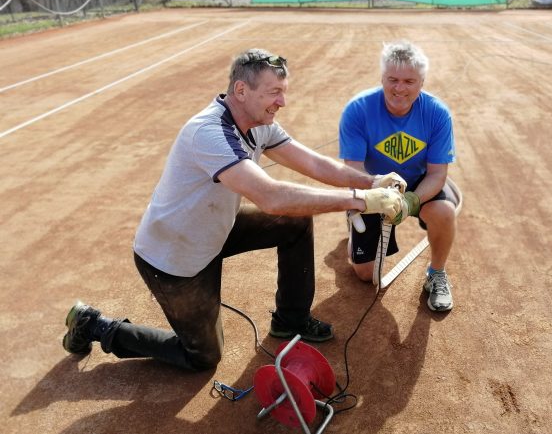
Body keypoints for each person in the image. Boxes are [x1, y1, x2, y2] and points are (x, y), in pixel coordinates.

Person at [62, 48, 407, 371]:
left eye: (283, 92)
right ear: (241, 90)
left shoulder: (259, 125)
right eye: (274, 92)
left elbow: (314, 163)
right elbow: (271, 196)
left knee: (295, 224)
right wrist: (358, 201)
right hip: (176, 257)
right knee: (202, 356)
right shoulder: (208, 132)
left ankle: (291, 319)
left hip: (216, 231)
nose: (282, 102)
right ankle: (96, 325)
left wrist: (371, 182)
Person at [338, 40, 457, 311]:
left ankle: (436, 274)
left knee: (444, 213)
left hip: (419, 182)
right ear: (382, 77)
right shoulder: (358, 109)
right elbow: (353, 170)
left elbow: (438, 173)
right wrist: (376, 193)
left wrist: (410, 201)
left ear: (422, 82)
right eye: (392, 79)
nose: (399, 88)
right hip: (373, 183)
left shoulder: (437, 113)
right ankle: (352, 228)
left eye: (409, 81)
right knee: (366, 275)